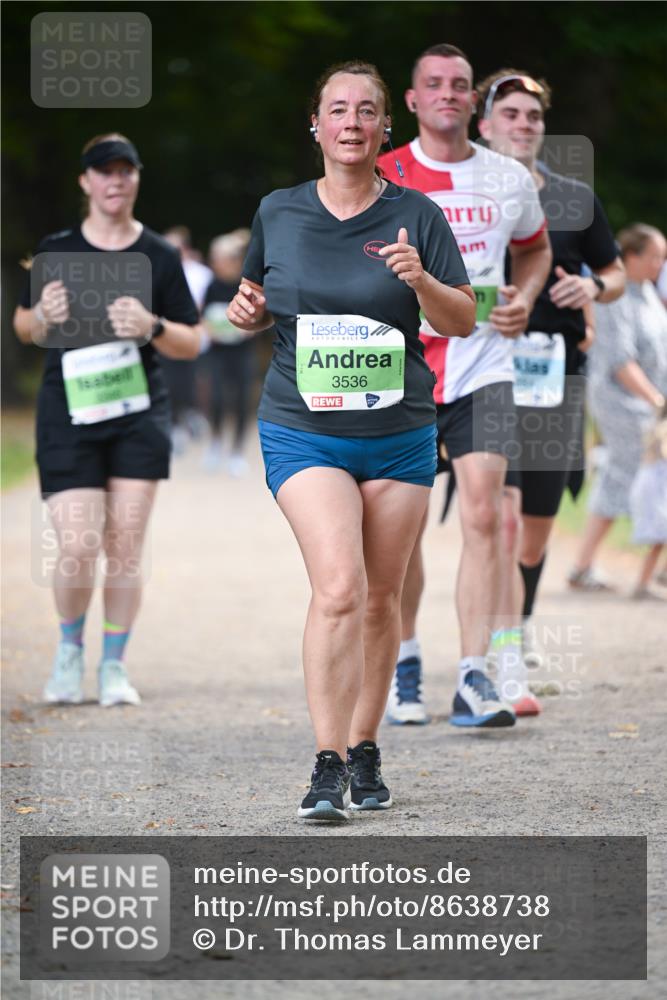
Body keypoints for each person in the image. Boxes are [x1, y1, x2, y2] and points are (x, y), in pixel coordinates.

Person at [227, 61, 474, 820]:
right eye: (337, 109)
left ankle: (366, 747)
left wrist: (421, 281)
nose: (352, 122)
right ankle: (327, 763)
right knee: (337, 588)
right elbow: (259, 299)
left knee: (379, 601)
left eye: (366, 110)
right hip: (304, 430)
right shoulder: (280, 210)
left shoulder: (418, 214)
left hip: (398, 432)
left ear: (383, 126)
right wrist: (247, 310)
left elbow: (460, 318)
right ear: (317, 124)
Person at [377, 45, 552, 726]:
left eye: (457, 85)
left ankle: (474, 677)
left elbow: (534, 247)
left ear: (469, 103)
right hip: (402, 369)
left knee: (483, 514)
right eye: (432, 85)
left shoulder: (508, 178)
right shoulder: (384, 173)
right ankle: (405, 659)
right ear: (413, 101)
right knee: (402, 528)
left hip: (483, 364)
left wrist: (525, 295)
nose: (447, 94)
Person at [13, 133, 201, 707]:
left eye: (125, 170)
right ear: (85, 182)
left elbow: (192, 342)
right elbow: (24, 325)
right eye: (104, 171)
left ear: (137, 179)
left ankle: (113, 665)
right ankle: (70, 651)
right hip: (67, 413)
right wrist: (42, 317)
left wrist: (151, 325)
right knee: (77, 544)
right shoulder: (57, 248)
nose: (115, 180)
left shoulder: (158, 257)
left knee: (124, 545)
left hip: (137, 414)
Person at [475, 69, 626, 687]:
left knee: (535, 526)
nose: (523, 125)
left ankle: (519, 620)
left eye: (532, 117)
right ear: (484, 125)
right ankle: (497, 641)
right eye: (509, 114)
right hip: (484, 369)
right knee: (501, 516)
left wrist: (591, 285)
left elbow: (615, 273)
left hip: (555, 373)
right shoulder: (466, 196)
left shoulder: (573, 198)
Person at [569, 224, 667, 589]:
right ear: (631, 257)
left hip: (650, 402)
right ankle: (589, 567)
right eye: (654, 256)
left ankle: (586, 566)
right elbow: (619, 362)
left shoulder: (648, 294)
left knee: (626, 476)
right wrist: (658, 402)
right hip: (623, 402)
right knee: (630, 476)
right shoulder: (616, 297)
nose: (660, 263)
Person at [199, 229, 257, 475]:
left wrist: (250, 328)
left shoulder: (245, 284)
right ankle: (215, 442)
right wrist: (209, 329)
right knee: (217, 399)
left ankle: (237, 452)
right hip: (218, 352)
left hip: (242, 352)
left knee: (243, 400)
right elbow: (202, 315)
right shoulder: (212, 285)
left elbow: (259, 317)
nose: (217, 263)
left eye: (221, 258)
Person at [162, 226, 212, 454]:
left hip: (195, 336)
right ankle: (175, 426)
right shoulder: (158, 272)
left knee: (194, 379)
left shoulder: (200, 273)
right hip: (167, 337)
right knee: (169, 382)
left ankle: (194, 414)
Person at [629, 416, 667, 599]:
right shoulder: (661, 429)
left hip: (655, 492)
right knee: (657, 541)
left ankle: (657, 576)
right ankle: (643, 584)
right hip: (657, 494)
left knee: (659, 541)